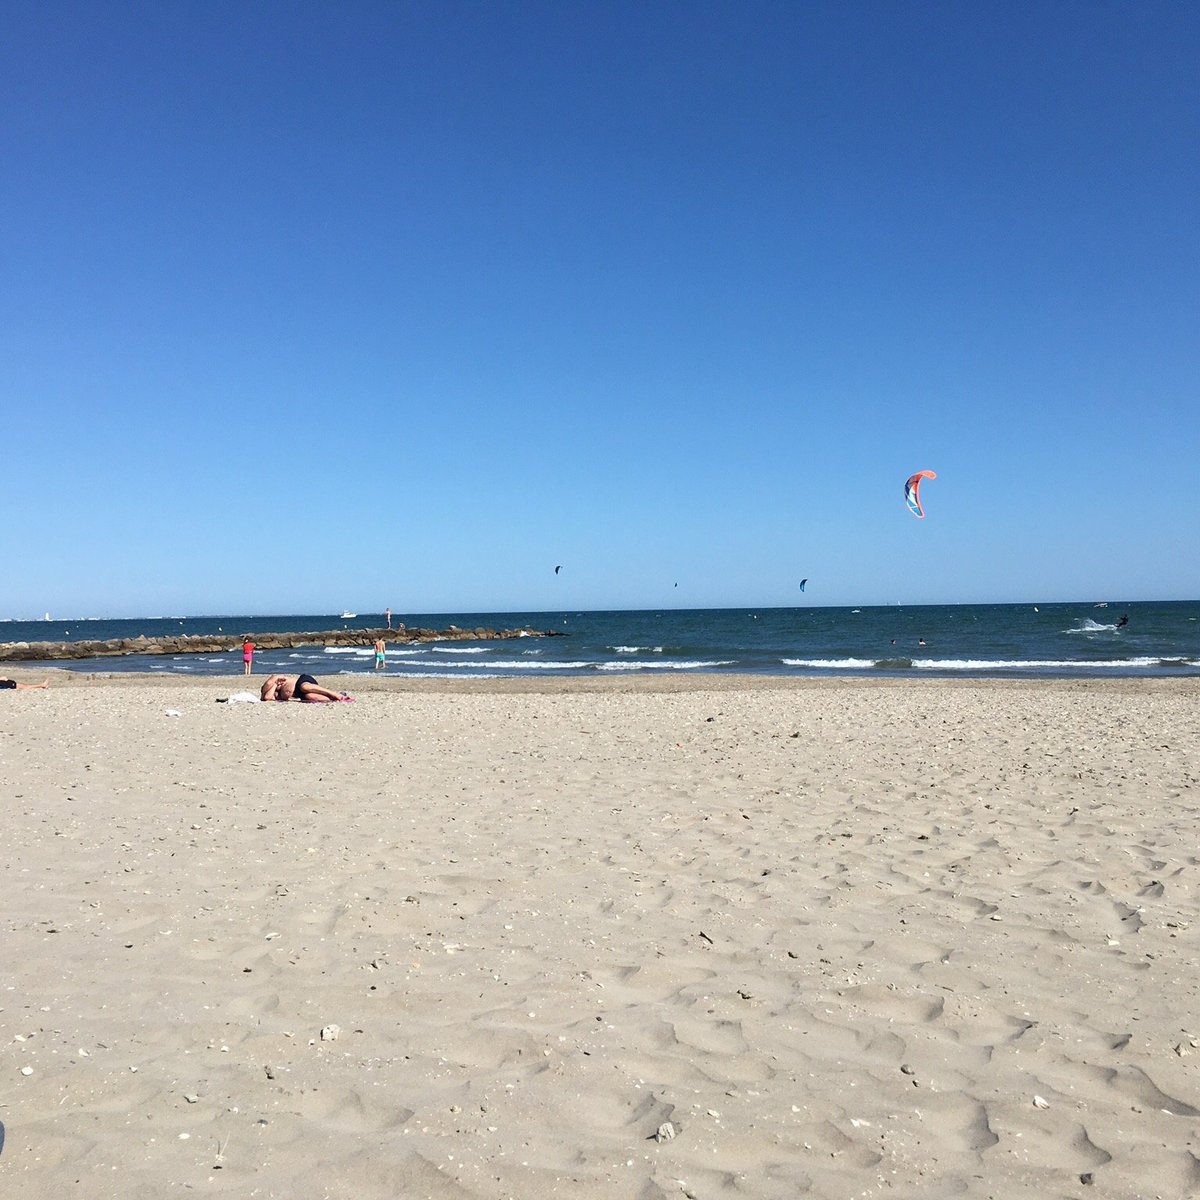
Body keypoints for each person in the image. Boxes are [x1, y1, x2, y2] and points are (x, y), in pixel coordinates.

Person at [260, 674, 354, 703]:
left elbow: (268, 683)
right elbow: (267, 698)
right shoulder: (274, 691)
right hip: (300, 694)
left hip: (301, 681)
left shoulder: (275, 678)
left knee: (304, 687)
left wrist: (275, 682)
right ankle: (339, 697)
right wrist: (276, 685)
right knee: (311, 697)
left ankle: (335, 694)